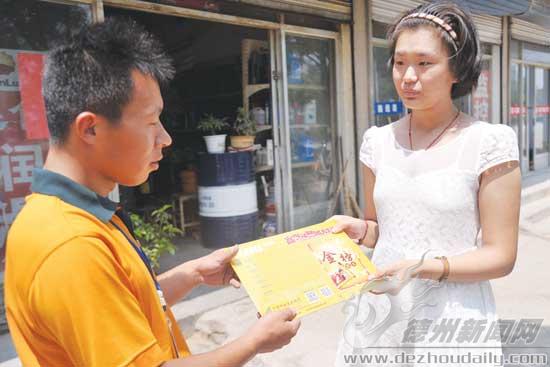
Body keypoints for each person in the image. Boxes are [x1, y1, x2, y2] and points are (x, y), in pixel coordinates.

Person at [4, 18, 300, 367]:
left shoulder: (72, 214)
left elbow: (122, 301)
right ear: (90, 128)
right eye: (150, 122)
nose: (165, 138)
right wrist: (252, 342)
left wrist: (191, 274)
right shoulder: (70, 245)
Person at [333, 2, 521, 366]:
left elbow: (501, 255)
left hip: (450, 315)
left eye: (424, 63)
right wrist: (359, 229)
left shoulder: (489, 143)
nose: (407, 76)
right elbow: (382, 230)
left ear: (456, 69)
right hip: (381, 309)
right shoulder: (377, 142)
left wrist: (422, 267)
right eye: (399, 62)